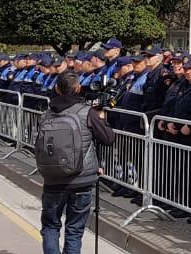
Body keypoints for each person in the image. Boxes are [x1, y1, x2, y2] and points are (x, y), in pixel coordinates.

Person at [38, 71, 116, 254]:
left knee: (50, 227)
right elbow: (108, 138)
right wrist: (101, 118)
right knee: (74, 231)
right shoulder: (87, 113)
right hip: (82, 179)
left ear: (57, 89)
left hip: (53, 178)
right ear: (79, 88)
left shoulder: (46, 115)